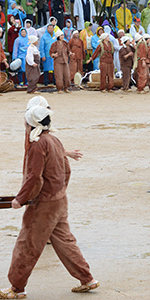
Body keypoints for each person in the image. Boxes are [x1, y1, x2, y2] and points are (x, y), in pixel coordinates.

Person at [0, 106, 99, 299]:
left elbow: (34, 177)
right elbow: (66, 169)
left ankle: (16, 288)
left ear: (30, 124)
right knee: (65, 242)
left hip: (43, 204)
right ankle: (87, 279)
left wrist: (20, 199)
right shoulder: (54, 140)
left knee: (27, 244)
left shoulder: (38, 145)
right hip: (59, 200)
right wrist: (60, 192)